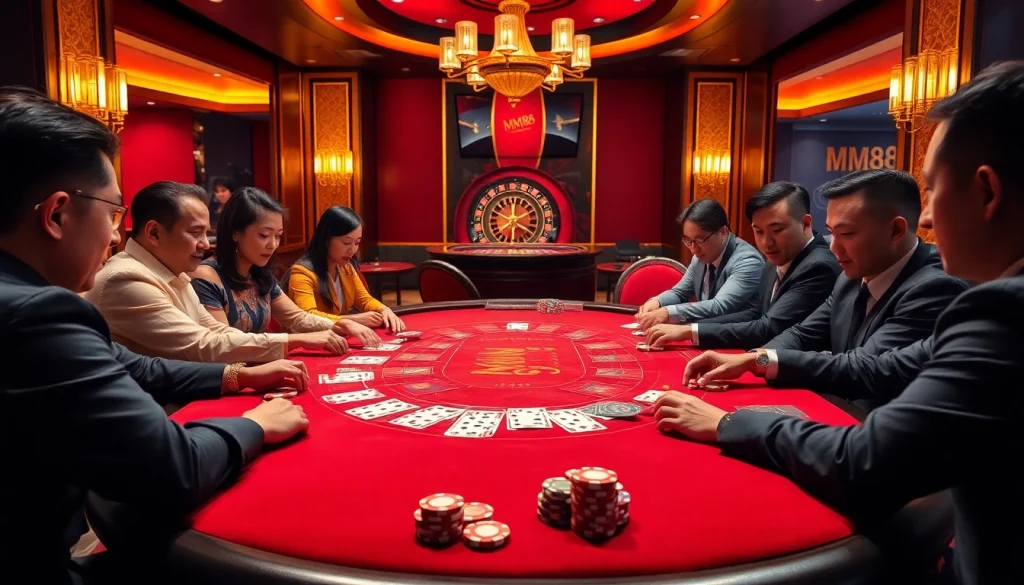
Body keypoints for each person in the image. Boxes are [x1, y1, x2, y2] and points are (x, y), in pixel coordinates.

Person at [654, 60, 1024, 585]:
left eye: (935, 189)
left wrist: (727, 423)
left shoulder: (1002, 313)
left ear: (987, 192)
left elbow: (863, 463)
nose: (927, 218)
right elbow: (881, 366)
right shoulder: (881, 285)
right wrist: (758, 360)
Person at [0, 86, 309, 585]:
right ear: (56, 214)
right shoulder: (38, 314)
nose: (114, 235)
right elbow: (175, 469)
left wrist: (238, 377)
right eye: (112, 213)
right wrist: (255, 423)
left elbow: (133, 364)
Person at [85, 181, 349, 363]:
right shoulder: (127, 277)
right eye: (195, 232)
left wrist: (332, 328)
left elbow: (217, 333)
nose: (205, 243)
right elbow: (204, 346)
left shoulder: (177, 274)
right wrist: (296, 342)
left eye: (278, 236)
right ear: (154, 232)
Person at [645, 182, 840, 348]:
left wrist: (690, 331)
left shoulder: (818, 267)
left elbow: (768, 328)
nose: (766, 242)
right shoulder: (774, 260)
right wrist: (691, 329)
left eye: (777, 230)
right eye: (759, 231)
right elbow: (754, 314)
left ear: (805, 223)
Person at [190, 187, 382, 348]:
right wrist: (295, 340)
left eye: (278, 236)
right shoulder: (206, 276)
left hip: (264, 366)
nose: (273, 245)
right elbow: (224, 344)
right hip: (230, 375)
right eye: (264, 235)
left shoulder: (260, 274)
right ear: (235, 233)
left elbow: (298, 318)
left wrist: (342, 324)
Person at [636, 199, 764, 329]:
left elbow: (719, 306)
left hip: (737, 337)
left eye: (700, 240)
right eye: (688, 241)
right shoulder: (699, 258)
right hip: (704, 332)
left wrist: (668, 312)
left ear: (723, 233)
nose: (693, 249)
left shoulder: (748, 260)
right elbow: (679, 293)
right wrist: (657, 301)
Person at [284, 206, 406, 333]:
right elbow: (308, 317)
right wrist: (353, 320)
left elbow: (364, 300)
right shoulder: (302, 273)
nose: (352, 250)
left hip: (336, 337)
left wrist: (384, 309)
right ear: (326, 239)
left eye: (357, 243)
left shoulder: (346, 267)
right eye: (346, 243)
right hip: (309, 339)